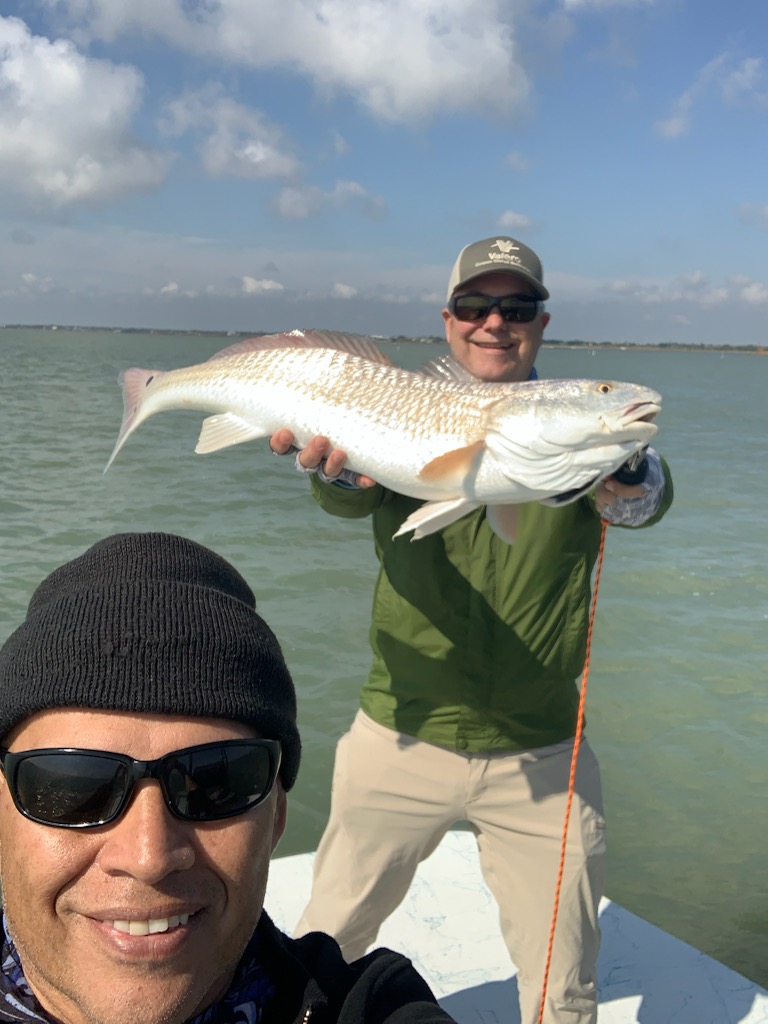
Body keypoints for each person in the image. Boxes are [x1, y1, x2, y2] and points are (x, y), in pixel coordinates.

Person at [269, 236, 674, 1024]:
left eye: (515, 308)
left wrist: (626, 463)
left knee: (564, 991)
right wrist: (338, 468)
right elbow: (347, 494)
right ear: (448, 320)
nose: (495, 322)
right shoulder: (400, 403)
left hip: (542, 751)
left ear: (541, 323)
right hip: (401, 733)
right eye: (475, 306)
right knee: (318, 961)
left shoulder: (585, 439)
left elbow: (646, 496)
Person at [0, 531, 457, 1024]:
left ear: (276, 815)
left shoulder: (367, 1007)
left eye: (216, 784)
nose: (149, 857)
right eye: (73, 787)